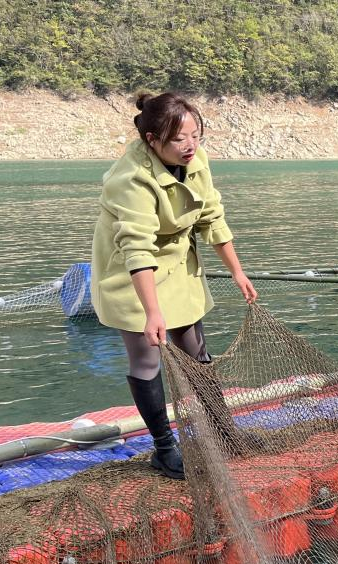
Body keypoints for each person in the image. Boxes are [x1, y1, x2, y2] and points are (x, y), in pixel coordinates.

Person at [91, 93, 257, 479]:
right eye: (179, 139)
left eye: (196, 135)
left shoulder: (195, 161)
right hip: (132, 275)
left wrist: (237, 271)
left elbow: (212, 216)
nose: (190, 145)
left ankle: (224, 432)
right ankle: (165, 449)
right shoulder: (130, 179)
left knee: (196, 350)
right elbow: (136, 248)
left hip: (179, 265)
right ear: (152, 140)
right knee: (148, 358)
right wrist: (152, 312)